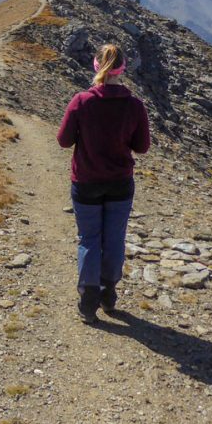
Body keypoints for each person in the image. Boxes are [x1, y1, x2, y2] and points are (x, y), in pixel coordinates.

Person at [56, 43, 150, 323]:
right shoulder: (134, 105)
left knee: (89, 239)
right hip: (120, 183)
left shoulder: (82, 101)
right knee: (114, 239)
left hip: (86, 182)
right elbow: (142, 147)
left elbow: (63, 140)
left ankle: (88, 299)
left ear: (96, 67)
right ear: (122, 70)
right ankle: (109, 293)